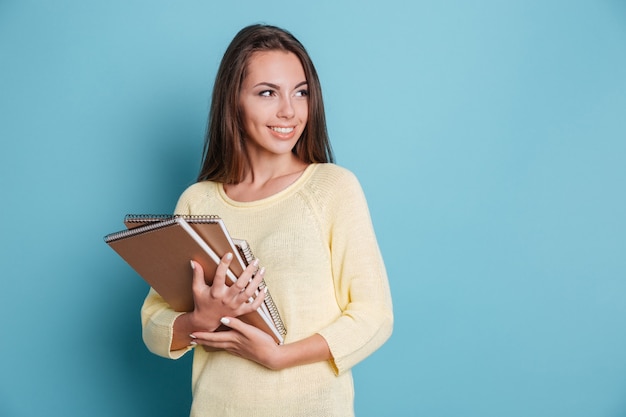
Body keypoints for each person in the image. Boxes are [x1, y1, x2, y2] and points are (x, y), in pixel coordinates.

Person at [141, 24, 393, 417]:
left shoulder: (332, 188)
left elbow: (373, 316)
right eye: (267, 93)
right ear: (234, 101)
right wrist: (197, 320)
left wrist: (280, 356)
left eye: (301, 92)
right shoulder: (198, 200)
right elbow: (154, 325)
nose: (289, 111)